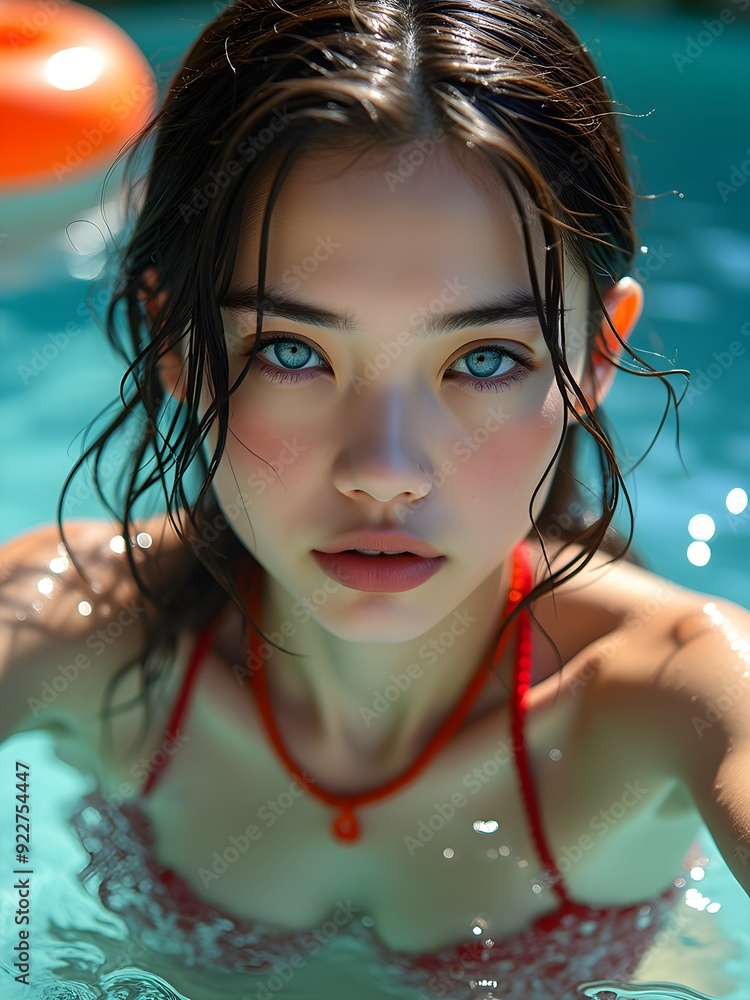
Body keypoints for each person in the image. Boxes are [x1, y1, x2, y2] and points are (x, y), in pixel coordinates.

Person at [1, 0, 749, 996]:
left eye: (484, 358)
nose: (386, 468)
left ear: (596, 353)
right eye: (292, 351)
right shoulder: (74, 626)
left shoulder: (671, 694)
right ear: (177, 344)